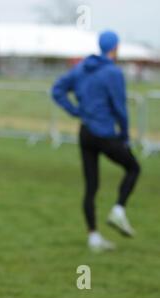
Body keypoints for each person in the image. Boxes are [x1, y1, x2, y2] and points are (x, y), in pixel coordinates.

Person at [51, 30, 141, 252]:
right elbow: (120, 108)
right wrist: (125, 135)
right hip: (105, 134)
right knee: (133, 168)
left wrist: (75, 111)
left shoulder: (82, 68)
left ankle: (93, 237)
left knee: (91, 187)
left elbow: (57, 90)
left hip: (86, 133)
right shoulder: (113, 73)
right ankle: (118, 210)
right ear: (115, 48)